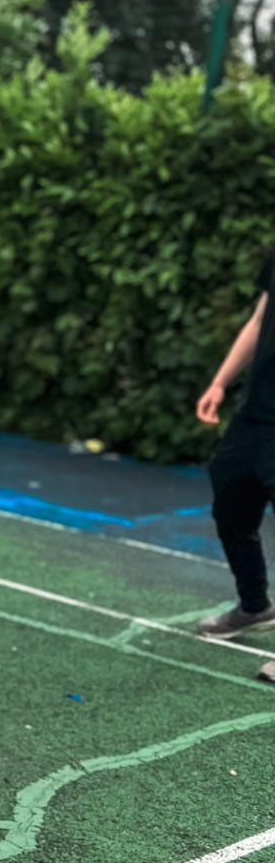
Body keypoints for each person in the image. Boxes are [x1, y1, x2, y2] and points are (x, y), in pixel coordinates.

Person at [196, 247, 275, 636]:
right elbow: (260, 320)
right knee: (231, 502)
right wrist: (220, 382)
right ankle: (254, 606)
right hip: (256, 413)